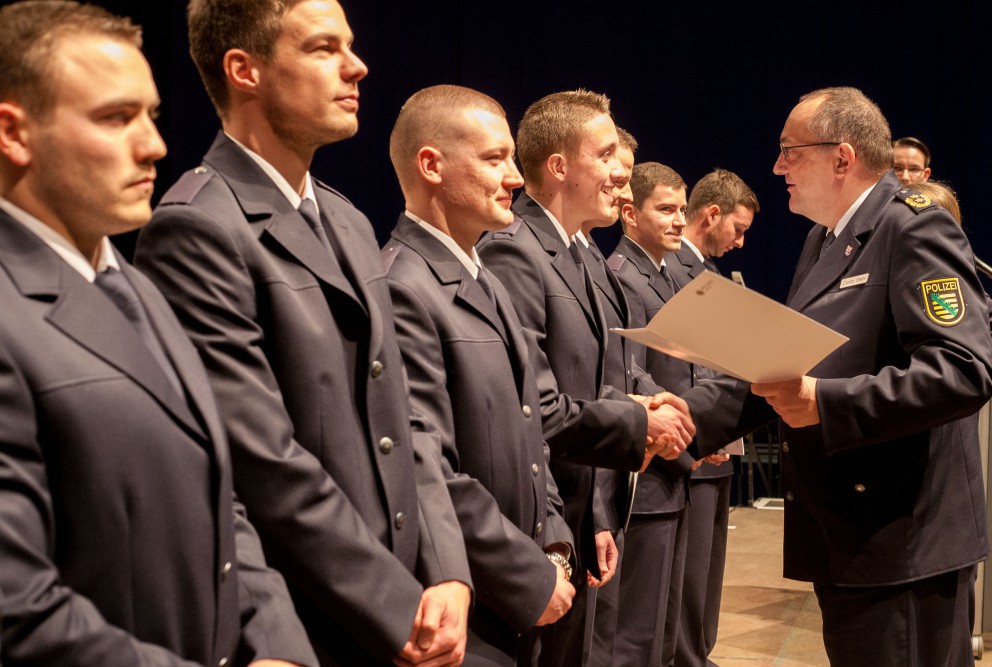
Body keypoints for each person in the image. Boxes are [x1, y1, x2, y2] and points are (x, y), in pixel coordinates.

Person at [133, 1, 472, 665]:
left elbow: (407, 423)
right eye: (323, 48)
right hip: (306, 622)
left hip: (408, 604)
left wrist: (448, 569)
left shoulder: (345, 218)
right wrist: (394, 600)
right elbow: (261, 460)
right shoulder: (196, 226)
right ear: (245, 69)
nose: (358, 65)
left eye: (350, 44)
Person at [0, 2, 314, 665]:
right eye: (116, 118)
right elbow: (17, 609)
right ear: (13, 133)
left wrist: (277, 641)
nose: (154, 145)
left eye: (150, 115)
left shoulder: (138, 285)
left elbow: (216, 492)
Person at [686, 86, 992, 667]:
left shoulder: (914, 227)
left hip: (904, 542)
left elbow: (963, 368)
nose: (778, 166)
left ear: (842, 158)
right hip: (850, 536)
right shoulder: (822, 238)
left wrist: (828, 403)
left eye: (789, 151)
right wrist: (683, 420)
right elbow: (784, 363)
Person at [477, 89, 695, 667]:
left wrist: (598, 508)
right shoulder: (515, 252)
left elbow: (603, 373)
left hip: (583, 501)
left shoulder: (579, 253)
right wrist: (639, 418)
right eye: (604, 157)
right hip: (538, 516)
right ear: (560, 167)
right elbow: (534, 406)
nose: (620, 180)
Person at [381, 84, 576, 666]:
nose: (515, 177)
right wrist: (528, 577)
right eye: (495, 159)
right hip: (472, 605)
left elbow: (528, 432)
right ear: (431, 165)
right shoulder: (400, 286)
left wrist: (555, 542)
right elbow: (430, 468)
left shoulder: (484, 276)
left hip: (524, 594)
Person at [665, 168, 758, 667]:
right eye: (737, 229)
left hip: (717, 441)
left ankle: (699, 652)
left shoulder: (707, 273)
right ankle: (688, 656)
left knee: (707, 567)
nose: (740, 243)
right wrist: (701, 430)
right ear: (711, 214)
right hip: (694, 441)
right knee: (688, 570)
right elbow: (677, 364)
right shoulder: (675, 269)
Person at [607, 161, 697, 666]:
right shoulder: (624, 276)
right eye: (665, 209)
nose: (680, 220)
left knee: (664, 615)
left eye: (683, 209)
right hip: (650, 458)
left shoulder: (666, 275)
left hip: (676, 456)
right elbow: (629, 375)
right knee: (634, 626)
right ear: (629, 214)